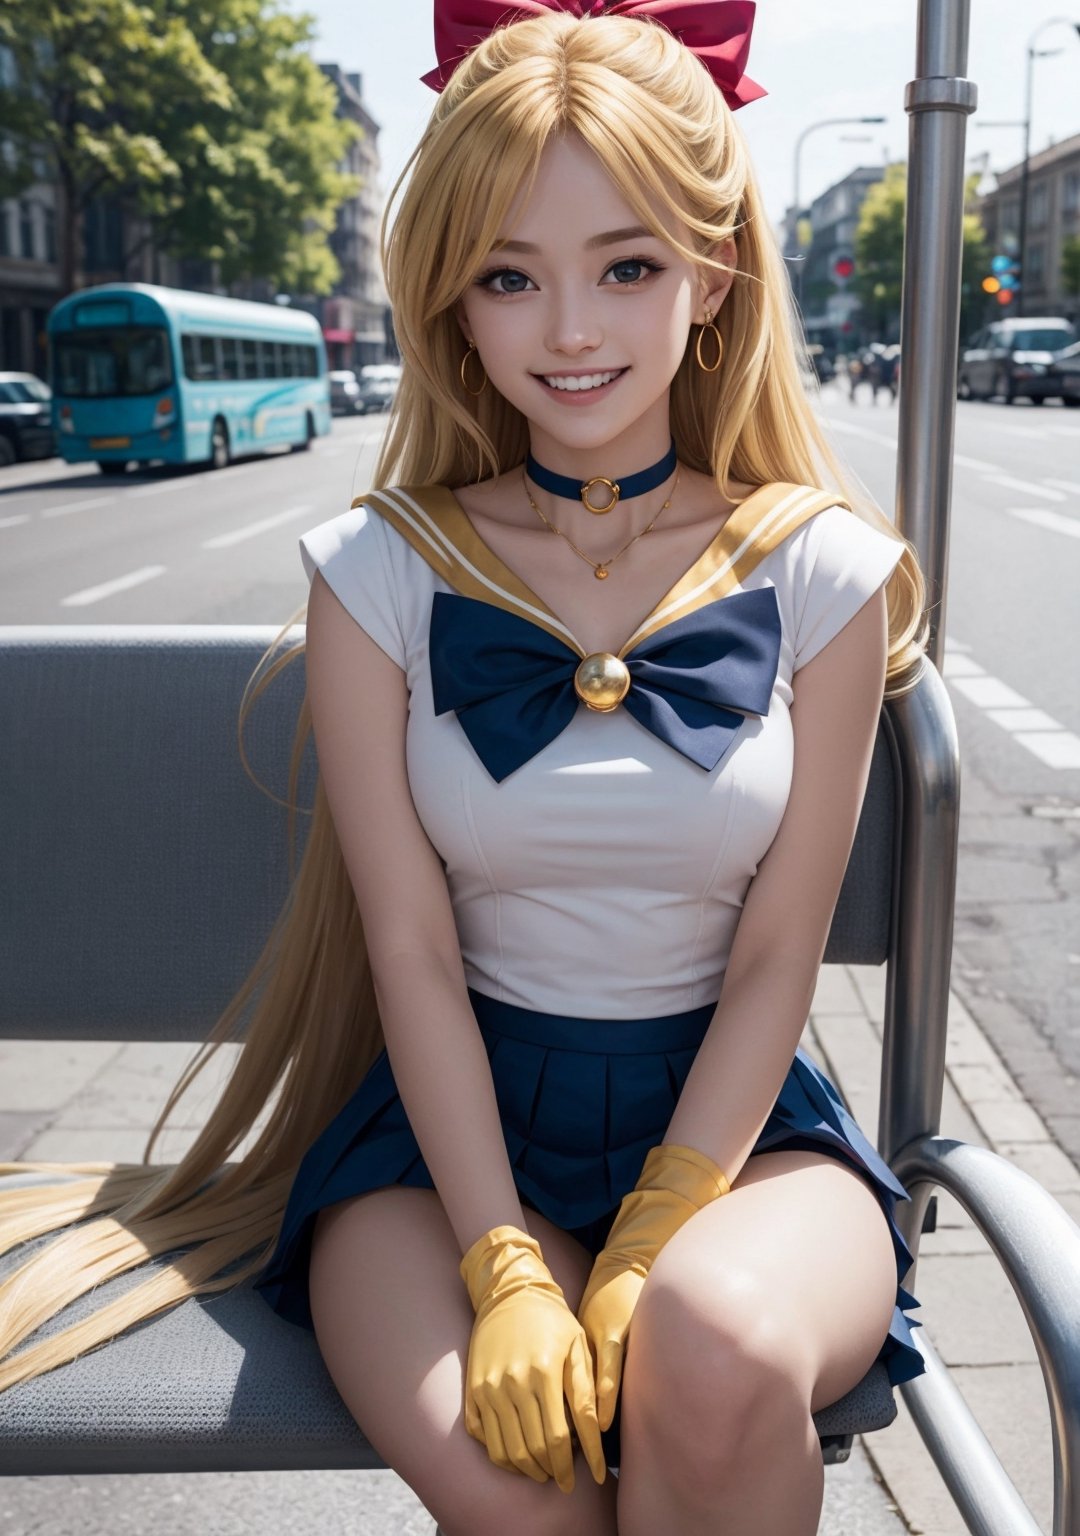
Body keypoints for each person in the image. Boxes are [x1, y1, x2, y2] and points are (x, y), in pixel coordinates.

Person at [0, 4, 930, 1533]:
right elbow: (413, 952)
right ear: (454, 305)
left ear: (712, 277)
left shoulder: (819, 571)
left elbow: (778, 953)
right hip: (444, 1147)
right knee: (531, 1492)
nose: (571, 330)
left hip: (746, 1133)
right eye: (512, 275)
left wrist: (658, 1231)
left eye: (627, 266)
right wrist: (505, 1258)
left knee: (706, 1349)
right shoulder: (381, 570)